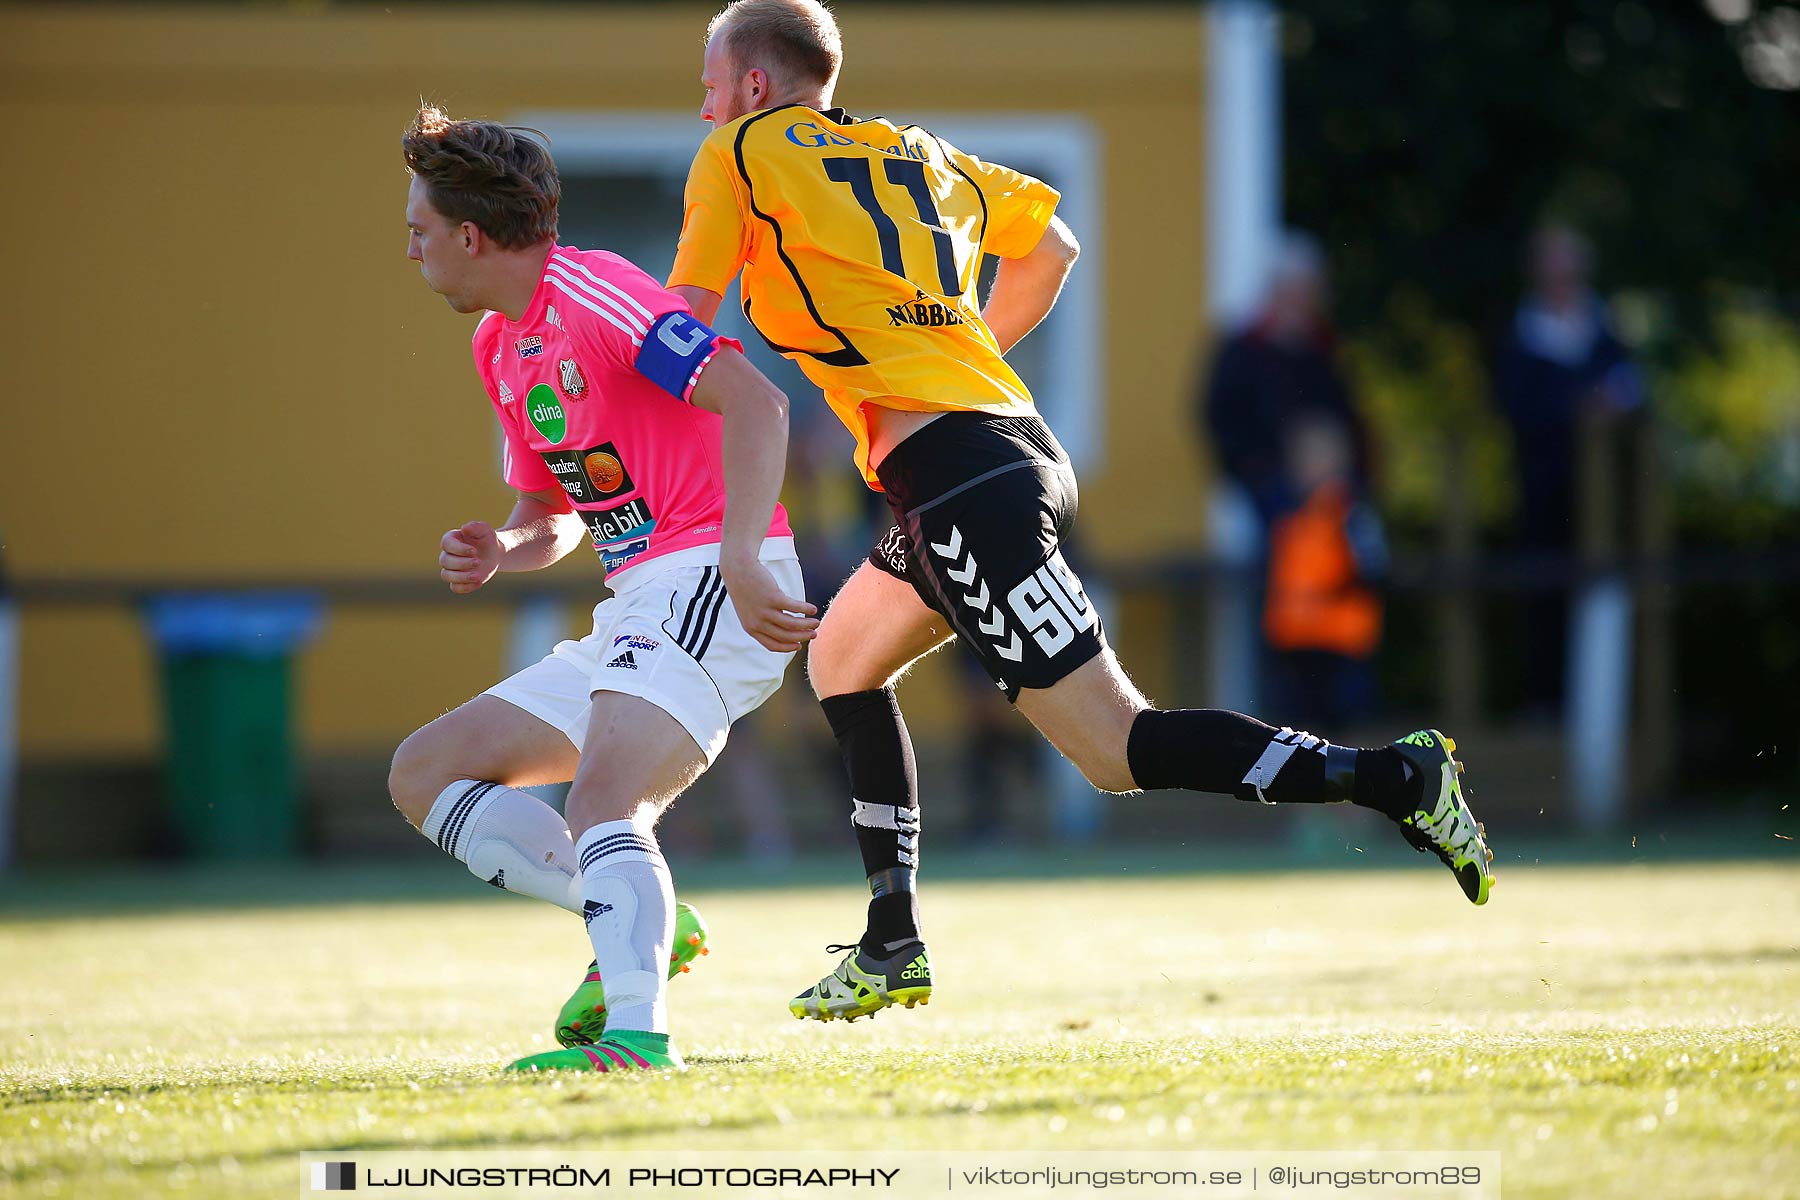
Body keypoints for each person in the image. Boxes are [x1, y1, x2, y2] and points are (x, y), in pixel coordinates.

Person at [670, 0, 1495, 1024]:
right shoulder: (918, 151)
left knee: (1118, 750)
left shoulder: (742, 152)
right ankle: (891, 941)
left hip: (963, 479)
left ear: (753, 86)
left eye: (708, 88)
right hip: (992, 450)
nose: (704, 111)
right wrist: (953, 359)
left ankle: (1396, 779)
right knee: (842, 659)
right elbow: (1053, 247)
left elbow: (683, 328)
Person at [388, 105, 818, 1072]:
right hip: (637, 600)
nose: (409, 250)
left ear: (468, 234)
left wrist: (744, 558)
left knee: (603, 807)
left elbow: (757, 402)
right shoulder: (499, 346)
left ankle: (635, 1039)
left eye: (418, 231)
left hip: (712, 573)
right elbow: (554, 516)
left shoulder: (597, 292)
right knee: (423, 774)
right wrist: (503, 545)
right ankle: (633, 911)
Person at [1494, 225, 1644, 714]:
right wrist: (1576, 408)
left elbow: (1634, 394)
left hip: (1604, 497)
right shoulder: (1521, 336)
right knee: (1544, 593)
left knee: (1603, 592)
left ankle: (1606, 709)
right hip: (1543, 492)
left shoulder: (1604, 329)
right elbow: (1517, 407)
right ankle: (1544, 702)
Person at [1202, 233, 1372, 530]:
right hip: (1268, 477)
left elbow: (1349, 418)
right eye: (1291, 292)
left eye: (1306, 292)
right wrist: (1271, 461)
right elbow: (1220, 419)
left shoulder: (1325, 351)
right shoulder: (1242, 351)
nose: (1299, 302)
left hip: (1329, 477)